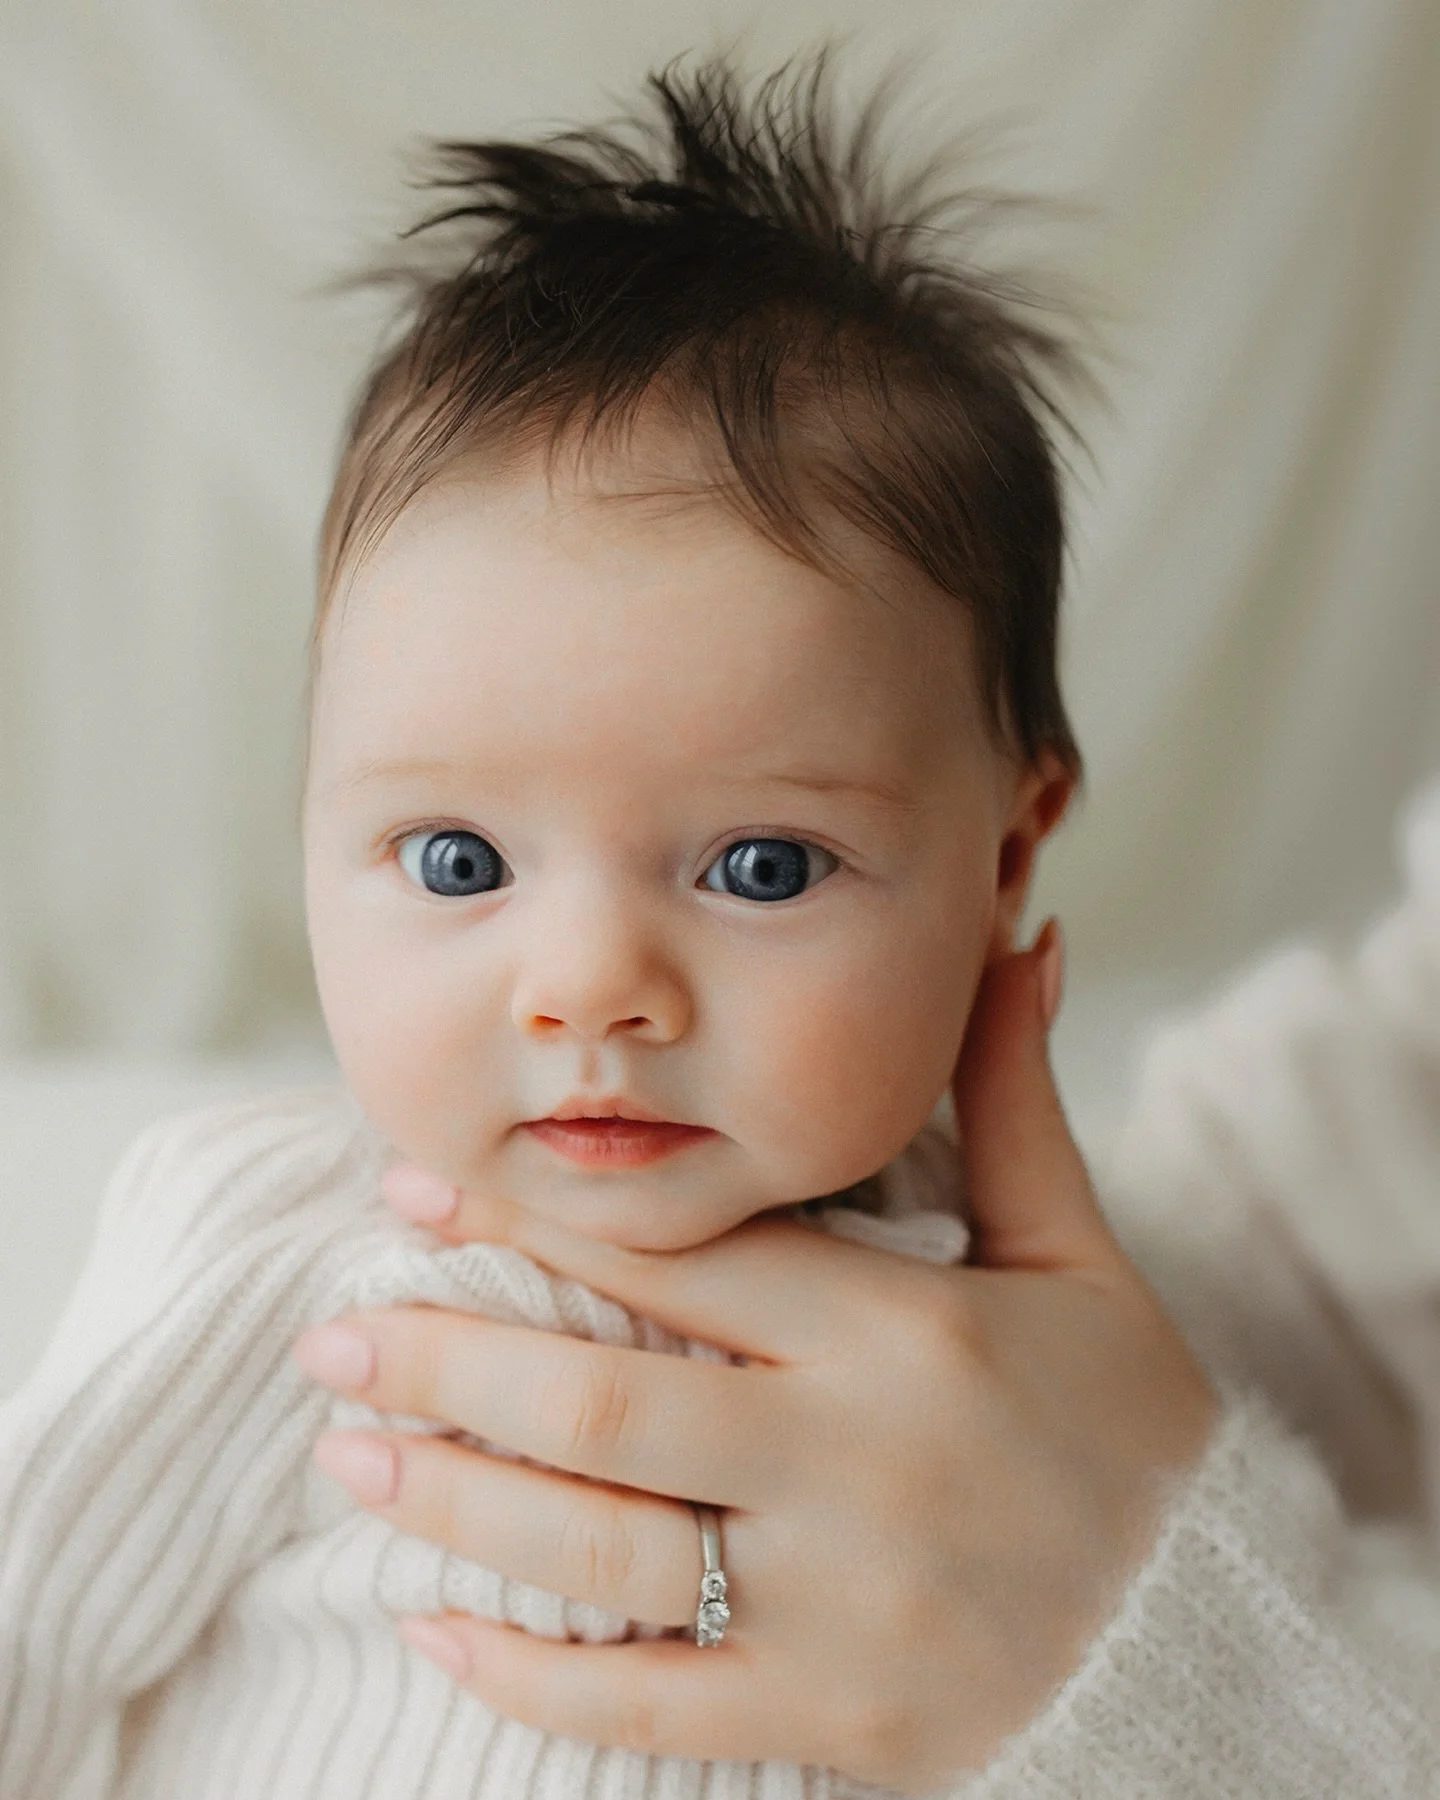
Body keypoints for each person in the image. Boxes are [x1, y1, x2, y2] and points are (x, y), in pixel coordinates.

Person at [0, 47, 1431, 1798]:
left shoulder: (1055, 1327)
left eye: (761, 868)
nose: (589, 989)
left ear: (1006, 856)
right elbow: (32, 1629)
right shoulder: (280, 1259)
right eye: (456, 862)